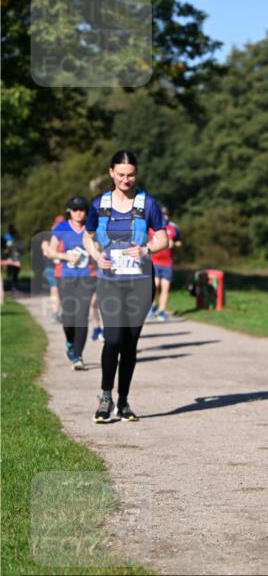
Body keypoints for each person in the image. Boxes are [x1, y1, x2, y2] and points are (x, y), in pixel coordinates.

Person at [83, 150, 168, 423]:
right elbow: (88, 235)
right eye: (121, 175)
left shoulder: (148, 203)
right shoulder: (99, 204)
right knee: (114, 338)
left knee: (130, 343)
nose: (126, 180)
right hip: (110, 281)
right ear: (111, 173)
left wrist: (146, 249)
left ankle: (123, 401)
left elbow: (163, 239)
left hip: (140, 283)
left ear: (136, 174)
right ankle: (105, 397)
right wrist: (96, 256)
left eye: (130, 175)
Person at [49, 198, 96, 369]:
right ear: (69, 211)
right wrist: (65, 256)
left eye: (82, 209)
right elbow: (50, 252)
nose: (78, 213)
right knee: (68, 317)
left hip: (87, 276)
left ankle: (78, 356)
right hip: (65, 276)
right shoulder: (61, 228)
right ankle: (70, 343)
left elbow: (99, 247)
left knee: (82, 316)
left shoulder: (92, 227)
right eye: (75, 209)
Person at [147, 206, 182, 322]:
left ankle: (161, 311)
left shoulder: (173, 228)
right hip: (154, 261)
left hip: (167, 263)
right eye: (163, 214)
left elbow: (179, 242)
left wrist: (174, 243)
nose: (165, 216)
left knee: (165, 288)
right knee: (155, 285)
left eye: (166, 214)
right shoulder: (151, 227)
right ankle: (153, 305)